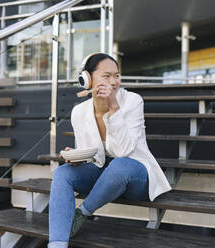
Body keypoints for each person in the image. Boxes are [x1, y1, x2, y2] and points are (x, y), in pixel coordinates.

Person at [48, 52, 171, 248]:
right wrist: (78, 157)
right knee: (62, 173)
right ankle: (57, 244)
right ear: (87, 79)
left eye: (117, 75)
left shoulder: (133, 101)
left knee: (120, 165)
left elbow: (124, 151)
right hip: (102, 175)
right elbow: (91, 152)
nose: (113, 81)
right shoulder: (79, 112)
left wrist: (113, 109)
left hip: (135, 176)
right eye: (106, 76)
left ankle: (84, 212)